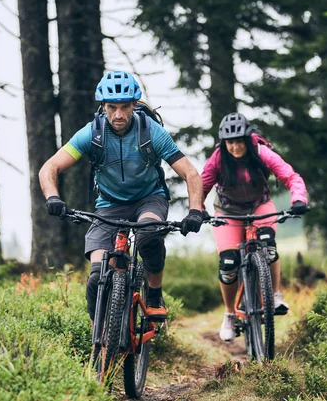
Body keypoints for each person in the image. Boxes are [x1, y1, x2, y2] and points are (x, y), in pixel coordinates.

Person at [39, 70, 204, 322]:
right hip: (109, 204)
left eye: (124, 107)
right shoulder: (92, 133)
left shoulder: (151, 132)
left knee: (148, 233)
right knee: (96, 276)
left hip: (149, 198)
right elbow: (49, 167)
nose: (118, 114)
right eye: (112, 107)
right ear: (103, 106)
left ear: (134, 105)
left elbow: (190, 174)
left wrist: (194, 211)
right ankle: (101, 339)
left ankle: (154, 295)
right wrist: (53, 197)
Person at [201, 112, 308, 342]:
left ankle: (275, 296)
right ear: (224, 142)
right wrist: (196, 210)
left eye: (240, 141)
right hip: (228, 212)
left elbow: (290, 176)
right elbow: (201, 186)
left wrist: (299, 200)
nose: (236, 146)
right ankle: (230, 313)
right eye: (231, 142)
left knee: (268, 244)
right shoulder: (218, 159)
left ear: (248, 139)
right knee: (228, 263)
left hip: (260, 206)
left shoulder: (262, 152)